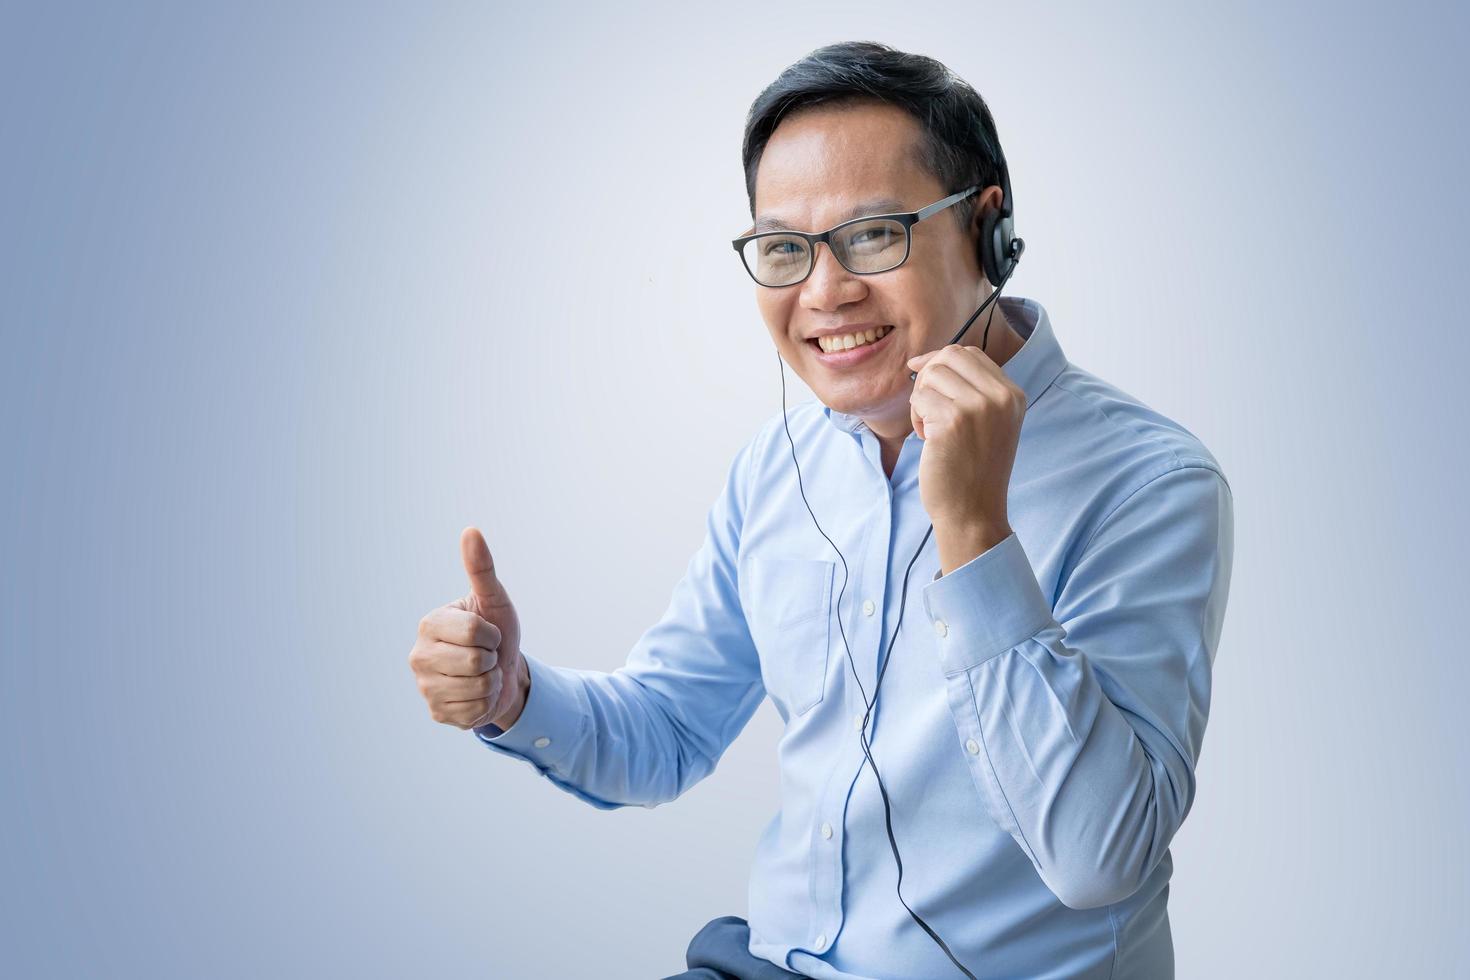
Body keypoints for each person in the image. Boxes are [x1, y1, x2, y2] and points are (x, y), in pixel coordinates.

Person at [408, 40, 1234, 980]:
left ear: (988, 230)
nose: (825, 291)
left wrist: (976, 538)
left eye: (874, 234)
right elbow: (671, 729)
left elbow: (1099, 859)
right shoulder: (778, 466)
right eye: (784, 250)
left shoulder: (1150, 484)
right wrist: (516, 695)